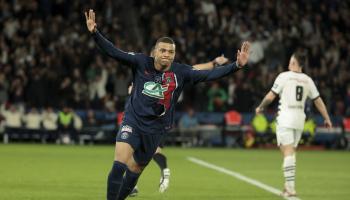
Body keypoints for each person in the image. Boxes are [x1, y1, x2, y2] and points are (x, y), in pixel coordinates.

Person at [85, 9, 251, 200]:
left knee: (135, 169)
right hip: (133, 121)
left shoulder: (181, 72)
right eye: (162, 50)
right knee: (119, 164)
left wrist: (236, 66)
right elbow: (114, 52)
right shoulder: (140, 62)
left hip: (156, 128)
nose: (166, 55)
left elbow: (208, 75)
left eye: (170, 52)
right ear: (154, 52)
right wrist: (95, 33)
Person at [131, 53, 229, 196]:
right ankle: (160, 172)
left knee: (135, 153)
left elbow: (194, 69)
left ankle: (133, 184)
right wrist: (214, 62)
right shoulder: (168, 72)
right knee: (150, 152)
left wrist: (214, 62)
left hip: (148, 120)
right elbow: (195, 69)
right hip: (161, 120)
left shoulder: (155, 73)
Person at [255, 52, 332, 197]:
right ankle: (287, 186)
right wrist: (326, 118)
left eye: (291, 60)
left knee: (288, 152)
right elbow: (318, 100)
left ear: (294, 63)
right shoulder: (308, 80)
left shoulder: (284, 76)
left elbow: (271, 95)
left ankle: (291, 188)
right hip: (299, 120)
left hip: (285, 118)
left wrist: (260, 107)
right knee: (289, 152)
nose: (289, 62)